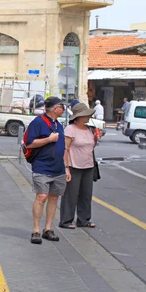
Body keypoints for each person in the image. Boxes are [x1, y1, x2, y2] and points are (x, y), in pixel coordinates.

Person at [24, 96, 67, 244]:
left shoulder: (58, 124)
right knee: (41, 197)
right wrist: (48, 140)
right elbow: (28, 144)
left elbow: (64, 147)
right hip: (42, 166)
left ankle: (47, 229)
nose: (64, 109)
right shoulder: (38, 123)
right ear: (55, 108)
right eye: (62, 106)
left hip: (58, 168)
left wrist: (66, 167)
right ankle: (36, 230)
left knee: (54, 197)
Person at [60, 103, 99, 229]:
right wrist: (66, 168)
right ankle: (66, 220)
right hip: (74, 165)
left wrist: (96, 139)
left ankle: (84, 219)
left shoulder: (89, 129)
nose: (88, 117)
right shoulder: (70, 129)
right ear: (79, 116)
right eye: (86, 115)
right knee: (71, 194)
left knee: (86, 194)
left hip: (88, 166)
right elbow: (65, 149)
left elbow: (91, 147)